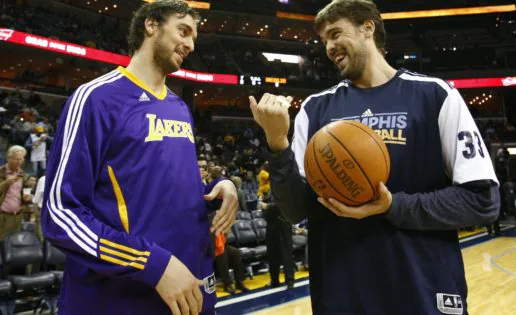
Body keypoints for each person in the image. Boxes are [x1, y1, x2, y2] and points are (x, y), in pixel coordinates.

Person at [249, 0, 500, 314]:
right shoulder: (315, 109)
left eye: (336, 33)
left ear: (368, 27)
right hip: (343, 294)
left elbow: (482, 201)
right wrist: (277, 145)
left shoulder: (435, 95)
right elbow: (295, 209)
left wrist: (393, 206)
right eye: (324, 39)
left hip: (424, 289)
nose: (329, 46)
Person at [41, 1, 238, 314]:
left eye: (194, 38)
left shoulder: (179, 108)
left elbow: (166, 190)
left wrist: (220, 188)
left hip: (191, 292)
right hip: (121, 300)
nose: (189, 44)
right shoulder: (95, 98)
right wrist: (152, 264)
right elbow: (61, 214)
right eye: (183, 31)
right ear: (151, 25)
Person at [261, 190, 295, 289]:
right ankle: (274, 280)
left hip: (283, 225)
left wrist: (268, 207)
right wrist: (265, 208)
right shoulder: (267, 193)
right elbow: (264, 211)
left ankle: (290, 281)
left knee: (286, 254)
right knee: (272, 254)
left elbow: (283, 205)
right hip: (271, 226)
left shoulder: (285, 189)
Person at [0, 145, 32, 240]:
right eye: (16, 159)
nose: (19, 162)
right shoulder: (1, 172)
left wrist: (27, 199)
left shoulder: (22, 174)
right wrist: (6, 183)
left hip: (18, 216)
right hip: (3, 216)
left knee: (13, 245)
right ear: (9, 158)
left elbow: (23, 194)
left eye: (21, 159)